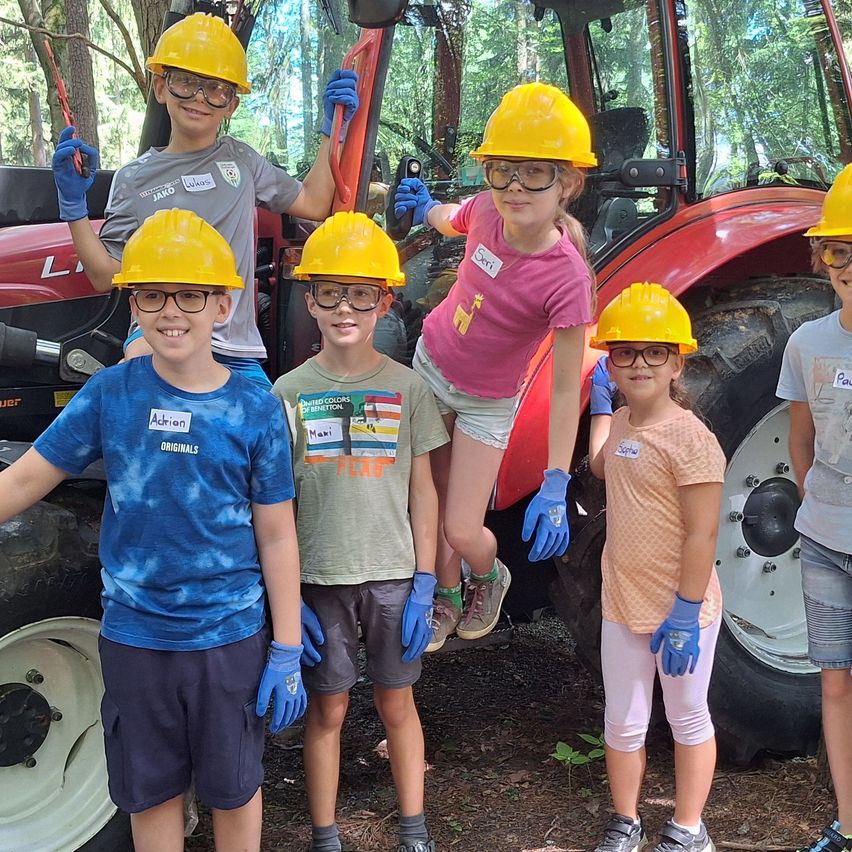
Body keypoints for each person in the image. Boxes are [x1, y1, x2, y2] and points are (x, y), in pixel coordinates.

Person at [0, 208, 305, 852]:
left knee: (233, 792)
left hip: (227, 642)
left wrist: (285, 645)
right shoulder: (110, 394)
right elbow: (25, 479)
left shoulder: (255, 408)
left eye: (189, 295)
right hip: (134, 640)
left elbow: (277, 534)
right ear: (133, 305)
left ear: (222, 305)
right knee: (150, 793)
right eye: (152, 295)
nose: (171, 311)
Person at [392, 82, 596, 649]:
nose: (514, 186)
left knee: (462, 525)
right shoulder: (485, 210)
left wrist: (556, 478)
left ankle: (488, 574)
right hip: (432, 367)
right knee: (429, 498)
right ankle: (447, 593)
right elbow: (449, 217)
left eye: (534, 172)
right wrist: (422, 205)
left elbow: (563, 390)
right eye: (502, 170)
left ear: (567, 182)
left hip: (489, 401)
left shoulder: (567, 279)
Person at [52, 12, 358, 386]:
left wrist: (333, 130)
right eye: (185, 82)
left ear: (231, 105)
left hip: (234, 350)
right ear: (161, 88)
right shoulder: (132, 180)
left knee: (267, 415)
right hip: (159, 339)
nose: (199, 97)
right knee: (135, 392)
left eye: (216, 89)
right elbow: (104, 276)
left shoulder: (242, 161)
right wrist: (74, 207)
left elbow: (313, 203)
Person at [272, 211, 449, 852]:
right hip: (320, 581)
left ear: (385, 301)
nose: (345, 307)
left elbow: (423, 492)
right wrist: (286, 598)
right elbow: (277, 504)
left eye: (361, 294)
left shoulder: (409, 389)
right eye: (330, 293)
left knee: (397, 704)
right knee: (330, 709)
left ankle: (414, 829)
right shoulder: (287, 393)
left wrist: (427, 581)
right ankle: (325, 834)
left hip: (394, 580)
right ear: (310, 299)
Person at [587, 282, 724, 852]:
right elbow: (602, 466)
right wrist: (600, 409)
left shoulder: (692, 440)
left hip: (680, 608)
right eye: (625, 352)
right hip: (622, 600)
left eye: (654, 352)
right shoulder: (623, 422)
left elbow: (703, 533)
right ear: (610, 363)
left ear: (676, 363)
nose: (639, 363)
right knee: (623, 720)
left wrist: (687, 611)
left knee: (688, 715)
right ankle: (626, 822)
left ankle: (689, 829)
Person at [777, 165, 852, 852]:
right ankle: (848, 825)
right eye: (839, 251)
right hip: (825, 540)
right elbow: (800, 438)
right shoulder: (807, 342)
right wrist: (815, 498)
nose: (849, 267)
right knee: (834, 684)